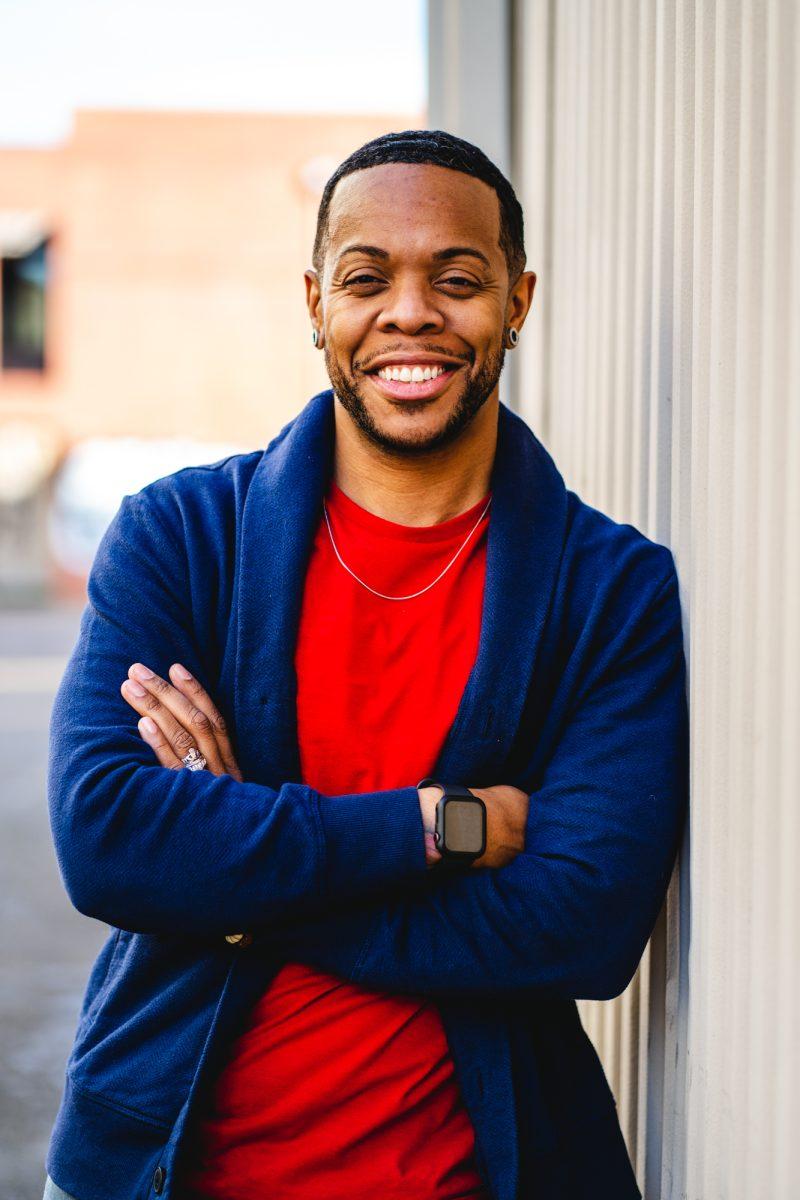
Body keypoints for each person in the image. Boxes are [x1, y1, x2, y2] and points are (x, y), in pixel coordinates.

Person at [43, 130, 689, 1200]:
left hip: (474, 1175)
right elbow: (109, 841)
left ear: (516, 303)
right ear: (313, 305)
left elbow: (580, 927)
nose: (410, 313)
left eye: (457, 278)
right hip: (158, 1168)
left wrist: (233, 870)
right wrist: (442, 826)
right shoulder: (184, 538)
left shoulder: (606, 589)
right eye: (364, 277)